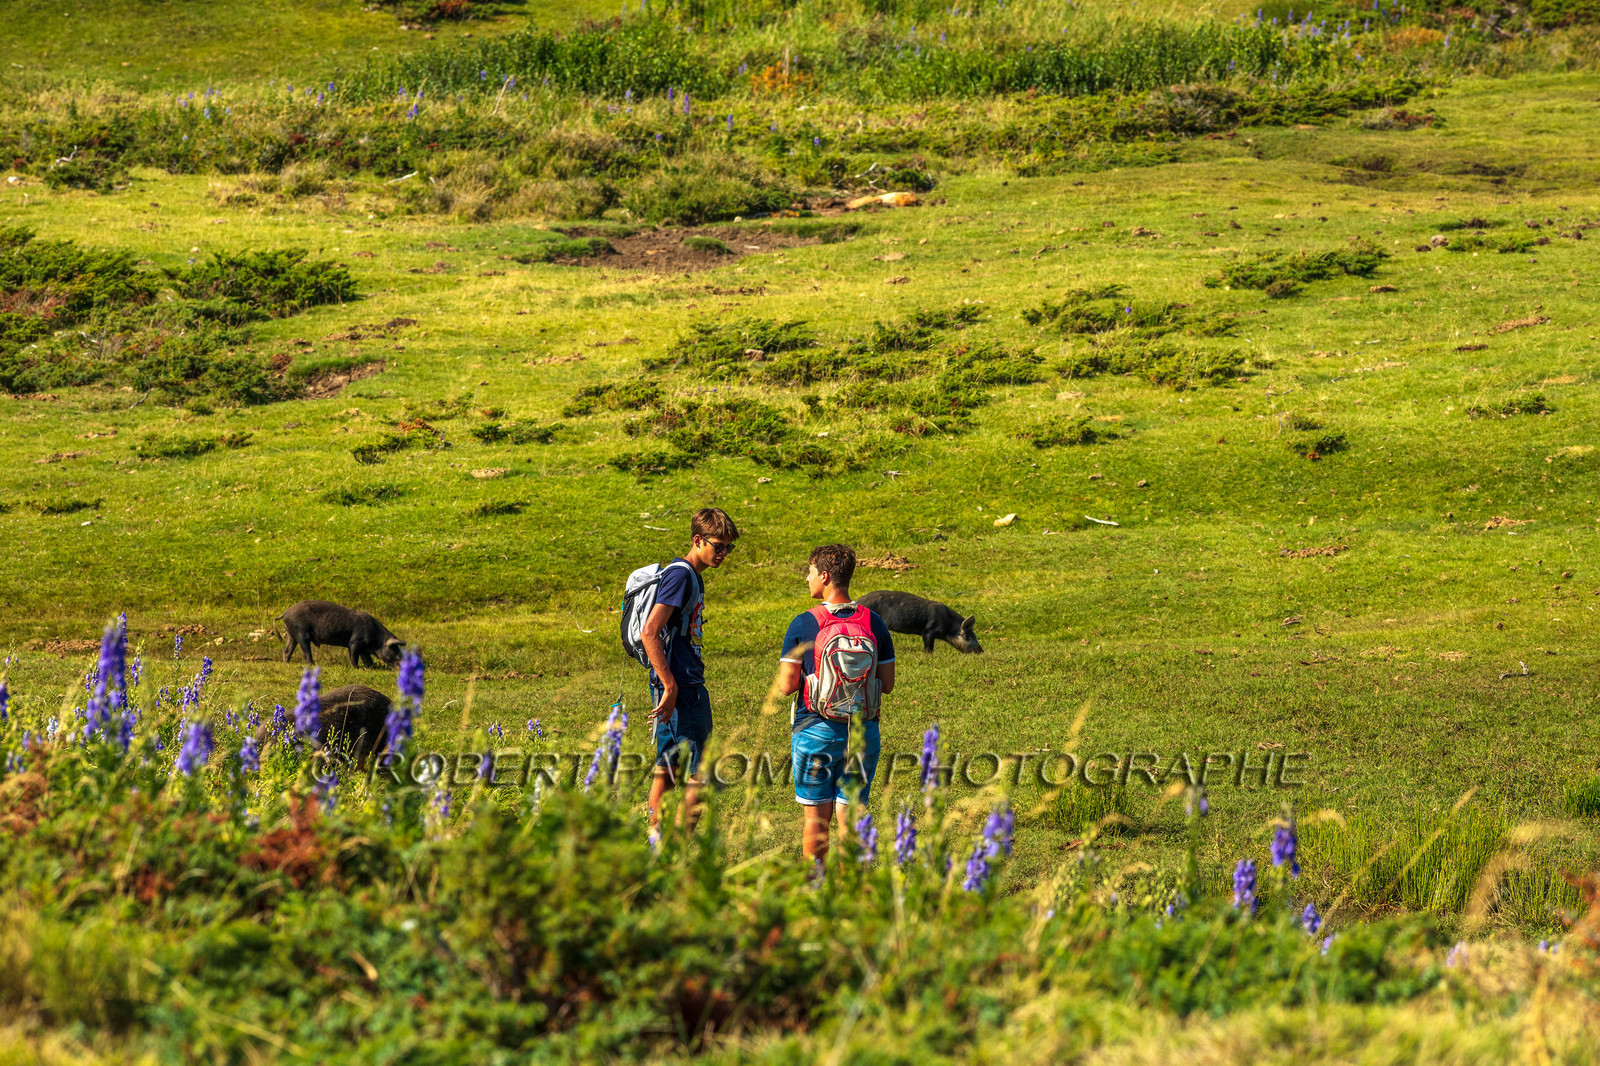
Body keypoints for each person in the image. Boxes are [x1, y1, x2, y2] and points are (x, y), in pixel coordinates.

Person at [776, 544, 896, 865]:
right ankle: (853, 891)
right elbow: (888, 684)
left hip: (815, 731)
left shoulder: (803, 624)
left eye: (811, 572)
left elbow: (787, 685)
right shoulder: (874, 622)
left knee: (816, 819)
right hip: (862, 732)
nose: (807, 578)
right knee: (851, 812)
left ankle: (816, 892)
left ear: (825, 576)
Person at [641, 507, 739, 828]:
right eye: (718, 545)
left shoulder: (689, 576)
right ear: (698, 540)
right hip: (683, 688)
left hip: (679, 685)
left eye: (729, 547)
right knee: (703, 773)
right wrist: (670, 686)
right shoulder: (681, 575)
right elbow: (649, 631)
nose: (724, 553)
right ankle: (677, 849)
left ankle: (657, 845)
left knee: (667, 769)